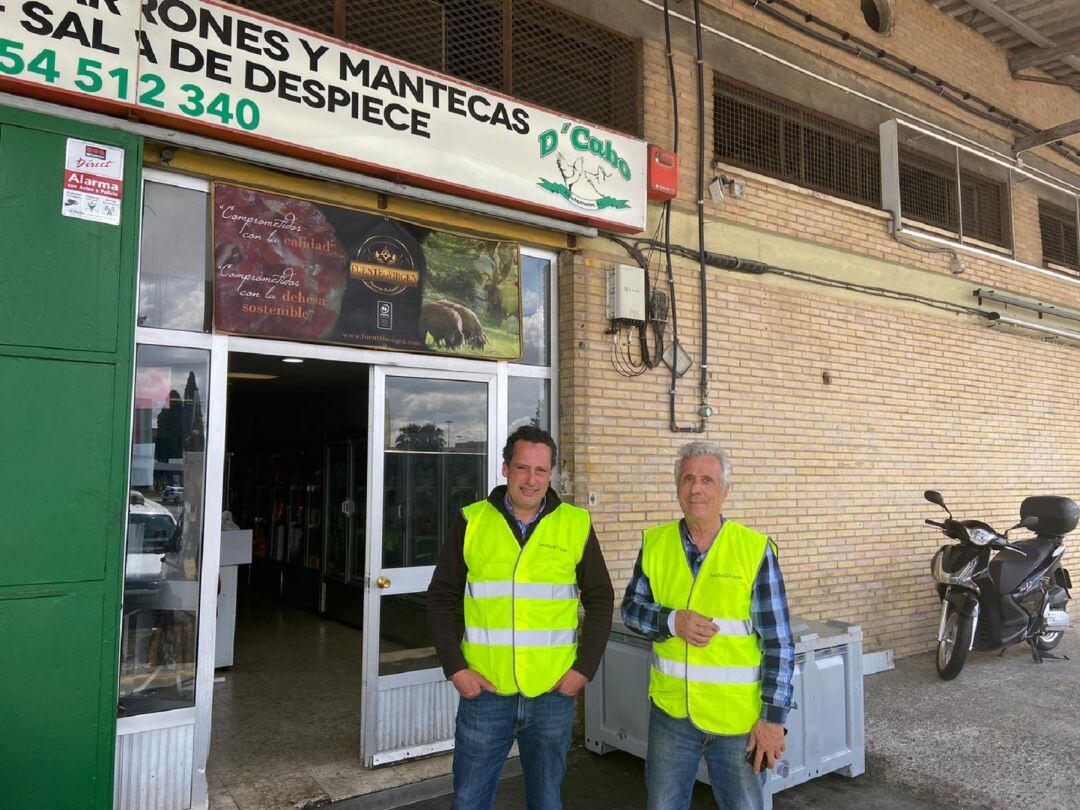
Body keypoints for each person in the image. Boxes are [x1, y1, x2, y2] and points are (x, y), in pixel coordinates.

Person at [427, 425, 614, 810]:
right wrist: (456, 669)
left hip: (551, 695)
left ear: (551, 474)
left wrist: (585, 669)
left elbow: (601, 598)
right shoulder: (472, 521)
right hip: (485, 693)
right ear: (505, 469)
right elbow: (441, 598)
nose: (531, 480)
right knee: (468, 801)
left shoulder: (575, 524)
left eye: (541, 471)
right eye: (523, 468)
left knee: (546, 801)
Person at [621, 441, 794, 810]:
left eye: (707, 480)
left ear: (725, 490)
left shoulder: (753, 549)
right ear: (677, 487)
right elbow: (631, 610)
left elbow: (778, 642)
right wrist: (671, 620)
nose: (696, 489)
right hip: (672, 716)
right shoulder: (655, 544)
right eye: (687, 479)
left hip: (738, 722)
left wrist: (773, 719)